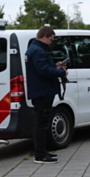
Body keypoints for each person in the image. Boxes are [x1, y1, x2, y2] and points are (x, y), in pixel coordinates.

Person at [24, 26, 68, 164]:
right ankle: (40, 155)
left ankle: (42, 151)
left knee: (42, 123)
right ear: (45, 36)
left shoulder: (34, 49)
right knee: (41, 124)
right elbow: (42, 70)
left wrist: (55, 66)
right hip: (42, 91)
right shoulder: (38, 50)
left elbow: (42, 67)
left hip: (41, 90)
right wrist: (61, 72)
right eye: (51, 39)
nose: (51, 42)